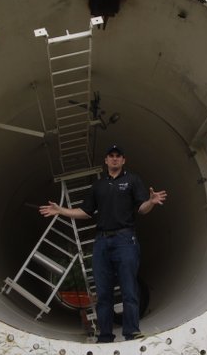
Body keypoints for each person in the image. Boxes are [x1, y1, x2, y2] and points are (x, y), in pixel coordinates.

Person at [39, 144, 167, 342]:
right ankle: (105, 335)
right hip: (102, 242)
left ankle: (131, 331)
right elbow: (85, 212)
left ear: (123, 160)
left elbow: (141, 209)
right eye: (111, 156)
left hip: (125, 239)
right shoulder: (98, 186)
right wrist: (61, 210)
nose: (114, 159)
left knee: (128, 287)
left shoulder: (132, 180)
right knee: (103, 291)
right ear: (106, 161)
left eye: (118, 156)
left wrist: (151, 201)